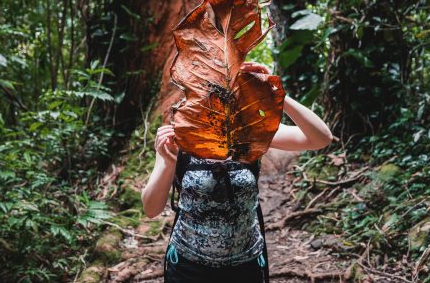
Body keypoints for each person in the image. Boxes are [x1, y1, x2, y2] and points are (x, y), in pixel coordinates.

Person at [142, 61, 334, 283]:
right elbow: (151, 209)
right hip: (188, 266)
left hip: (246, 265)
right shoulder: (180, 132)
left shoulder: (249, 129)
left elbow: (320, 138)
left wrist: (275, 91)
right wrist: (167, 161)